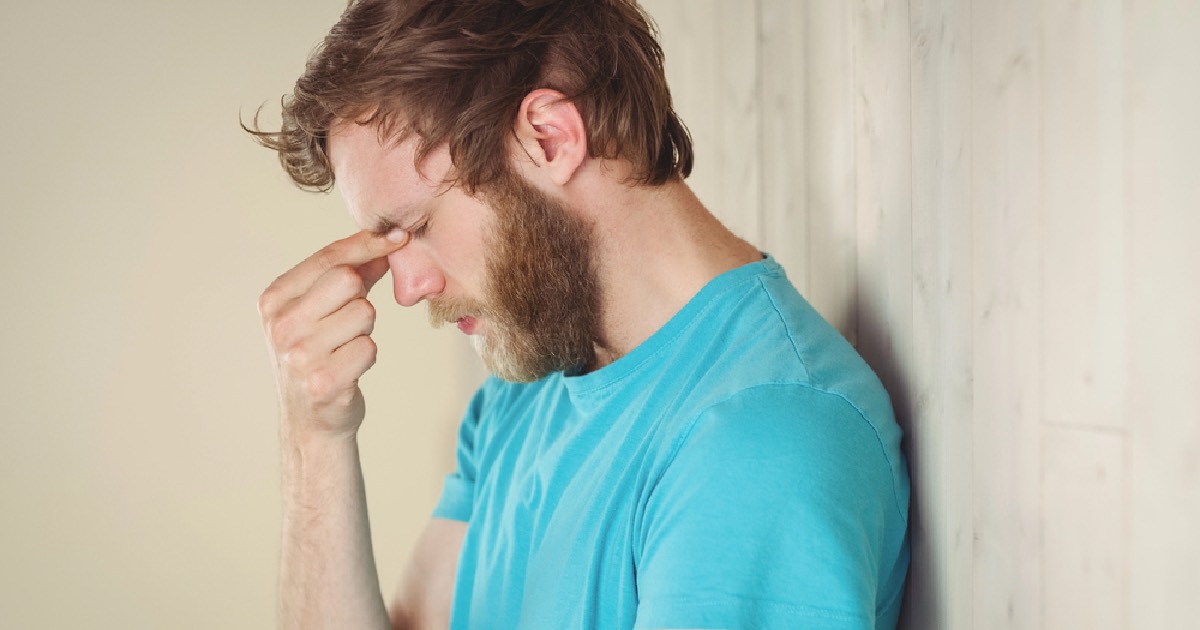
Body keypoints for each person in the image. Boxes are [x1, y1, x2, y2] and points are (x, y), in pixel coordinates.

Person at [248, 0, 910, 628]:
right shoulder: (516, 402)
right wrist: (316, 439)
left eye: (416, 227)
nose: (408, 288)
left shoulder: (761, 438)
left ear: (549, 137)